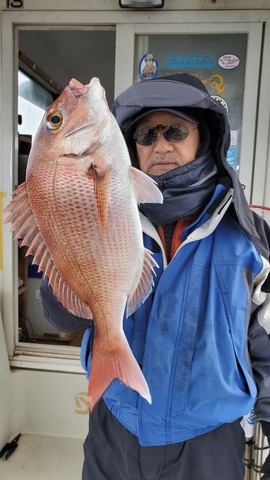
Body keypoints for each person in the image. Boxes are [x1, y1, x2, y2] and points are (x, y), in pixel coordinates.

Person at [40, 73, 270, 480]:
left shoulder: (250, 236)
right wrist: (64, 243)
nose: (160, 144)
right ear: (132, 145)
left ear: (205, 137)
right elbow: (63, 319)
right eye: (146, 134)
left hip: (209, 443)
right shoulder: (110, 211)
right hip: (114, 430)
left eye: (176, 129)